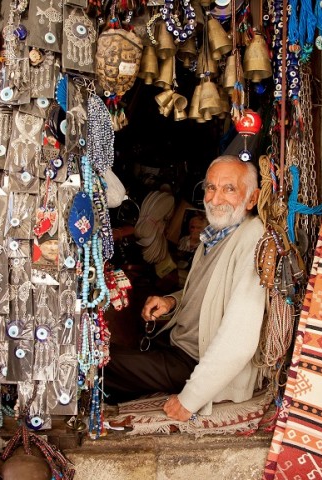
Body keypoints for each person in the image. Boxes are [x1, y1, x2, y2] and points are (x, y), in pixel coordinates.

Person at [104, 155, 266, 421]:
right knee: (108, 349)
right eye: (211, 188)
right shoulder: (216, 234)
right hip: (176, 344)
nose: (215, 199)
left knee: (100, 361)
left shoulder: (252, 240)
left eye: (229, 189)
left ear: (251, 198)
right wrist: (172, 302)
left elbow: (240, 338)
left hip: (194, 361)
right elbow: (211, 290)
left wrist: (190, 398)